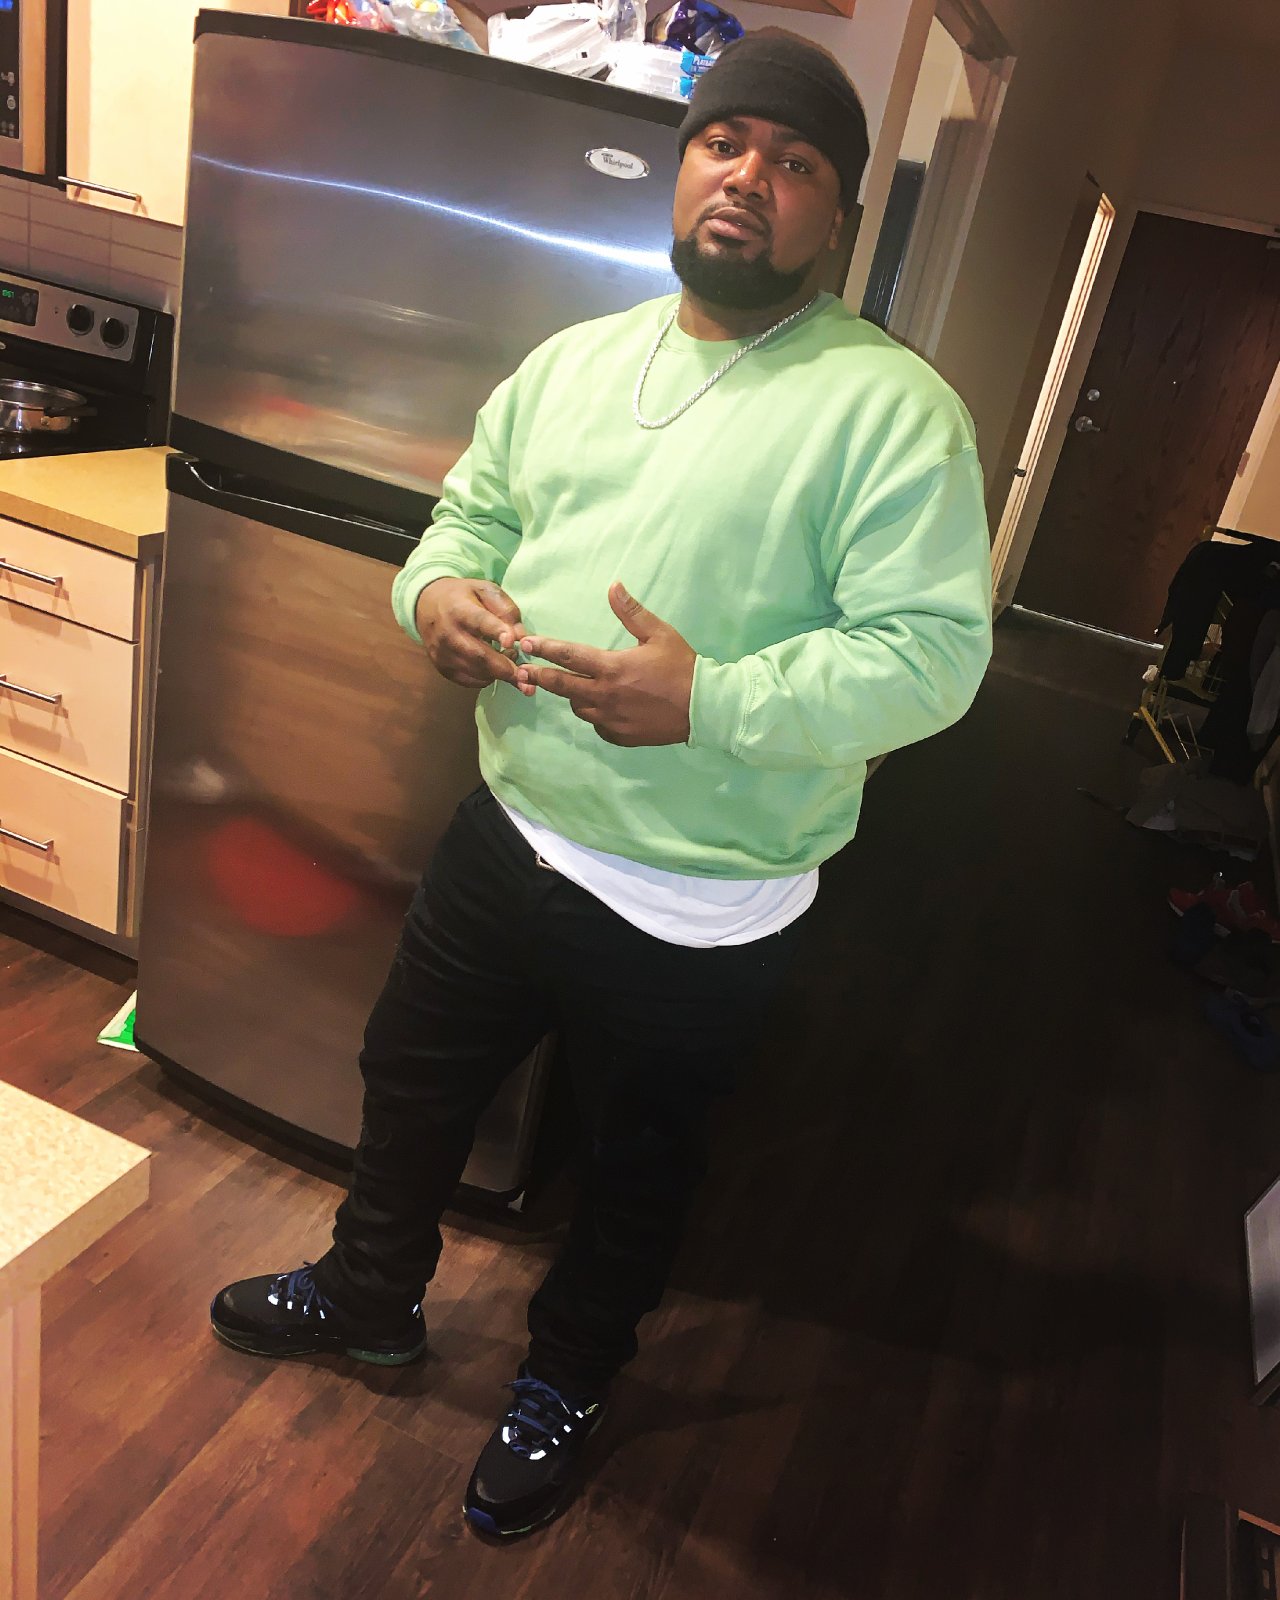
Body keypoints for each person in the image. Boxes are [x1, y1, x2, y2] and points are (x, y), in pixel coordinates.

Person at [210, 27, 994, 1540]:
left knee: (635, 1173)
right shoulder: (575, 360)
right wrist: (434, 600)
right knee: (409, 1081)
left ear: (837, 216)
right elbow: (466, 522)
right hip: (510, 828)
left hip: (704, 894)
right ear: (683, 167)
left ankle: (565, 1378)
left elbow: (931, 660)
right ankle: (371, 1294)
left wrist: (709, 700)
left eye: (794, 163)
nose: (748, 177)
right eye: (724, 143)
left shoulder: (896, 412)